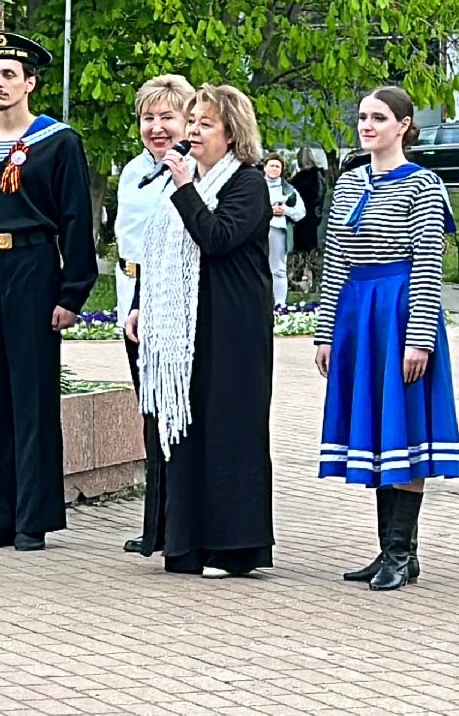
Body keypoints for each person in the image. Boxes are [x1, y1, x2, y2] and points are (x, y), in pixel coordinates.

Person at [0, 31, 98, 552]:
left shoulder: (58, 142)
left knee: (32, 394)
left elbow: (77, 220)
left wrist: (72, 293)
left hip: (35, 267)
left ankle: (33, 518)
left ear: (30, 83)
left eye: (9, 75)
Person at [314, 86, 459, 590]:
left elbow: (427, 264)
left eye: (379, 117)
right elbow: (334, 260)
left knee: (404, 427)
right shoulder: (348, 183)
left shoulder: (424, 185)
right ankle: (390, 551)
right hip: (359, 312)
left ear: (403, 125)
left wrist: (419, 337)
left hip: (399, 308)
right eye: (362, 117)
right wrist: (326, 332)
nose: (367, 125)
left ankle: (401, 552)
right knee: (377, 430)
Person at [132, 84, 275, 577]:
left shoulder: (248, 184)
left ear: (232, 134)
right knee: (188, 428)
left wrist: (186, 188)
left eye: (205, 125)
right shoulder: (181, 182)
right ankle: (186, 542)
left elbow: (216, 239)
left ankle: (234, 548)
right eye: (190, 123)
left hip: (232, 327)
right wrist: (139, 305)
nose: (192, 133)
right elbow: (157, 253)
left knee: (228, 430)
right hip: (185, 328)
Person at [114, 73, 194, 555]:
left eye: (168, 117)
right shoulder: (132, 170)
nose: (157, 127)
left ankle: (173, 522)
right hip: (131, 295)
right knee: (149, 410)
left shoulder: (188, 169)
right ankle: (154, 522)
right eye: (149, 117)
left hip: (167, 297)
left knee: (171, 409)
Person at [262, 155, 306, 305]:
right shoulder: (255, 185)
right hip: (256, 231)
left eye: (277, 166)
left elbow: (301, 212)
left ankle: (279, 305)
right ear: (265, 167)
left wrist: (285, 210)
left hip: (277, 231)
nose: (274, 169)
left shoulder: (289, 190)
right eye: (271, 165)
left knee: (278, 269)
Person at [289, 148, 328, 297]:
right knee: (312, 248)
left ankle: (300, 277)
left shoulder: (300, 178)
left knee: (301, 249)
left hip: (303, 218)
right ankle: (315, 279)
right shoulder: (320, 175)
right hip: (314, 216)